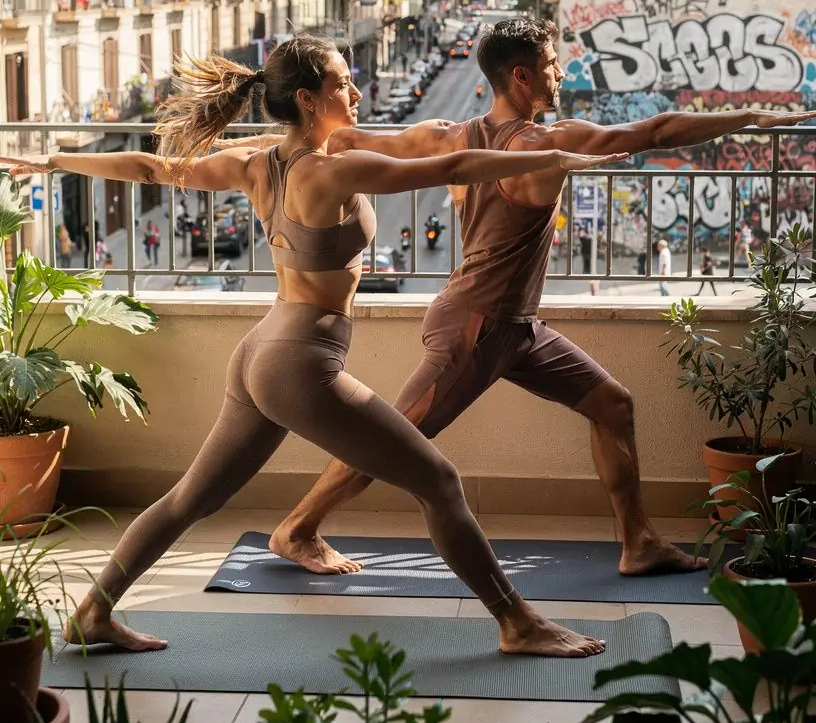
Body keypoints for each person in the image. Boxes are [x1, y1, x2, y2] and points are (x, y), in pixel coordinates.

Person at [0, 35, 627, 660]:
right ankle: (517, 623)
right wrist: (551, 161)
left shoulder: (259, 161)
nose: (355, 93)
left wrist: (57, 161)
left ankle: (93, 610)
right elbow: (451, 168)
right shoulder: (332, 170)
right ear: (306, 98)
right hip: (299, 361)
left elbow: (150, 168)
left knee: (192, 498)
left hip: (261, 351)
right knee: (437, 480)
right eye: (341, 84)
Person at [221, 18, 816, 578]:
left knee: (613, 405)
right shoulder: (540, 143)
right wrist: (751, 117)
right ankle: (298, 528)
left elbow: (353, 138)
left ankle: (638, 543)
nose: (560, 75)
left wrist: (304, 141)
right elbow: (657, 129)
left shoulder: (452, 136)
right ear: (521, 77)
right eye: (552, 65)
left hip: (518, 329)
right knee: (395, 438)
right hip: (474, 328)